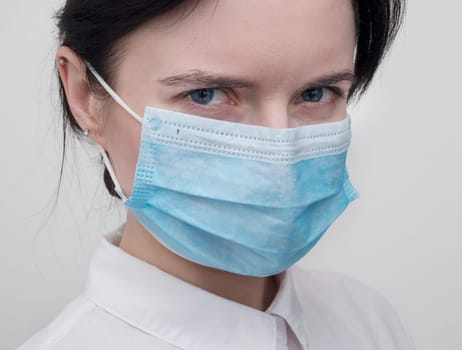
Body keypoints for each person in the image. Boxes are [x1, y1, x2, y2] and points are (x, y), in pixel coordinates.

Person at [18, 0, 411, 349]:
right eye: (207, 94)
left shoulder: (370, 322)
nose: (280, 150)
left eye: (317, 93)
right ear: (84, 94)